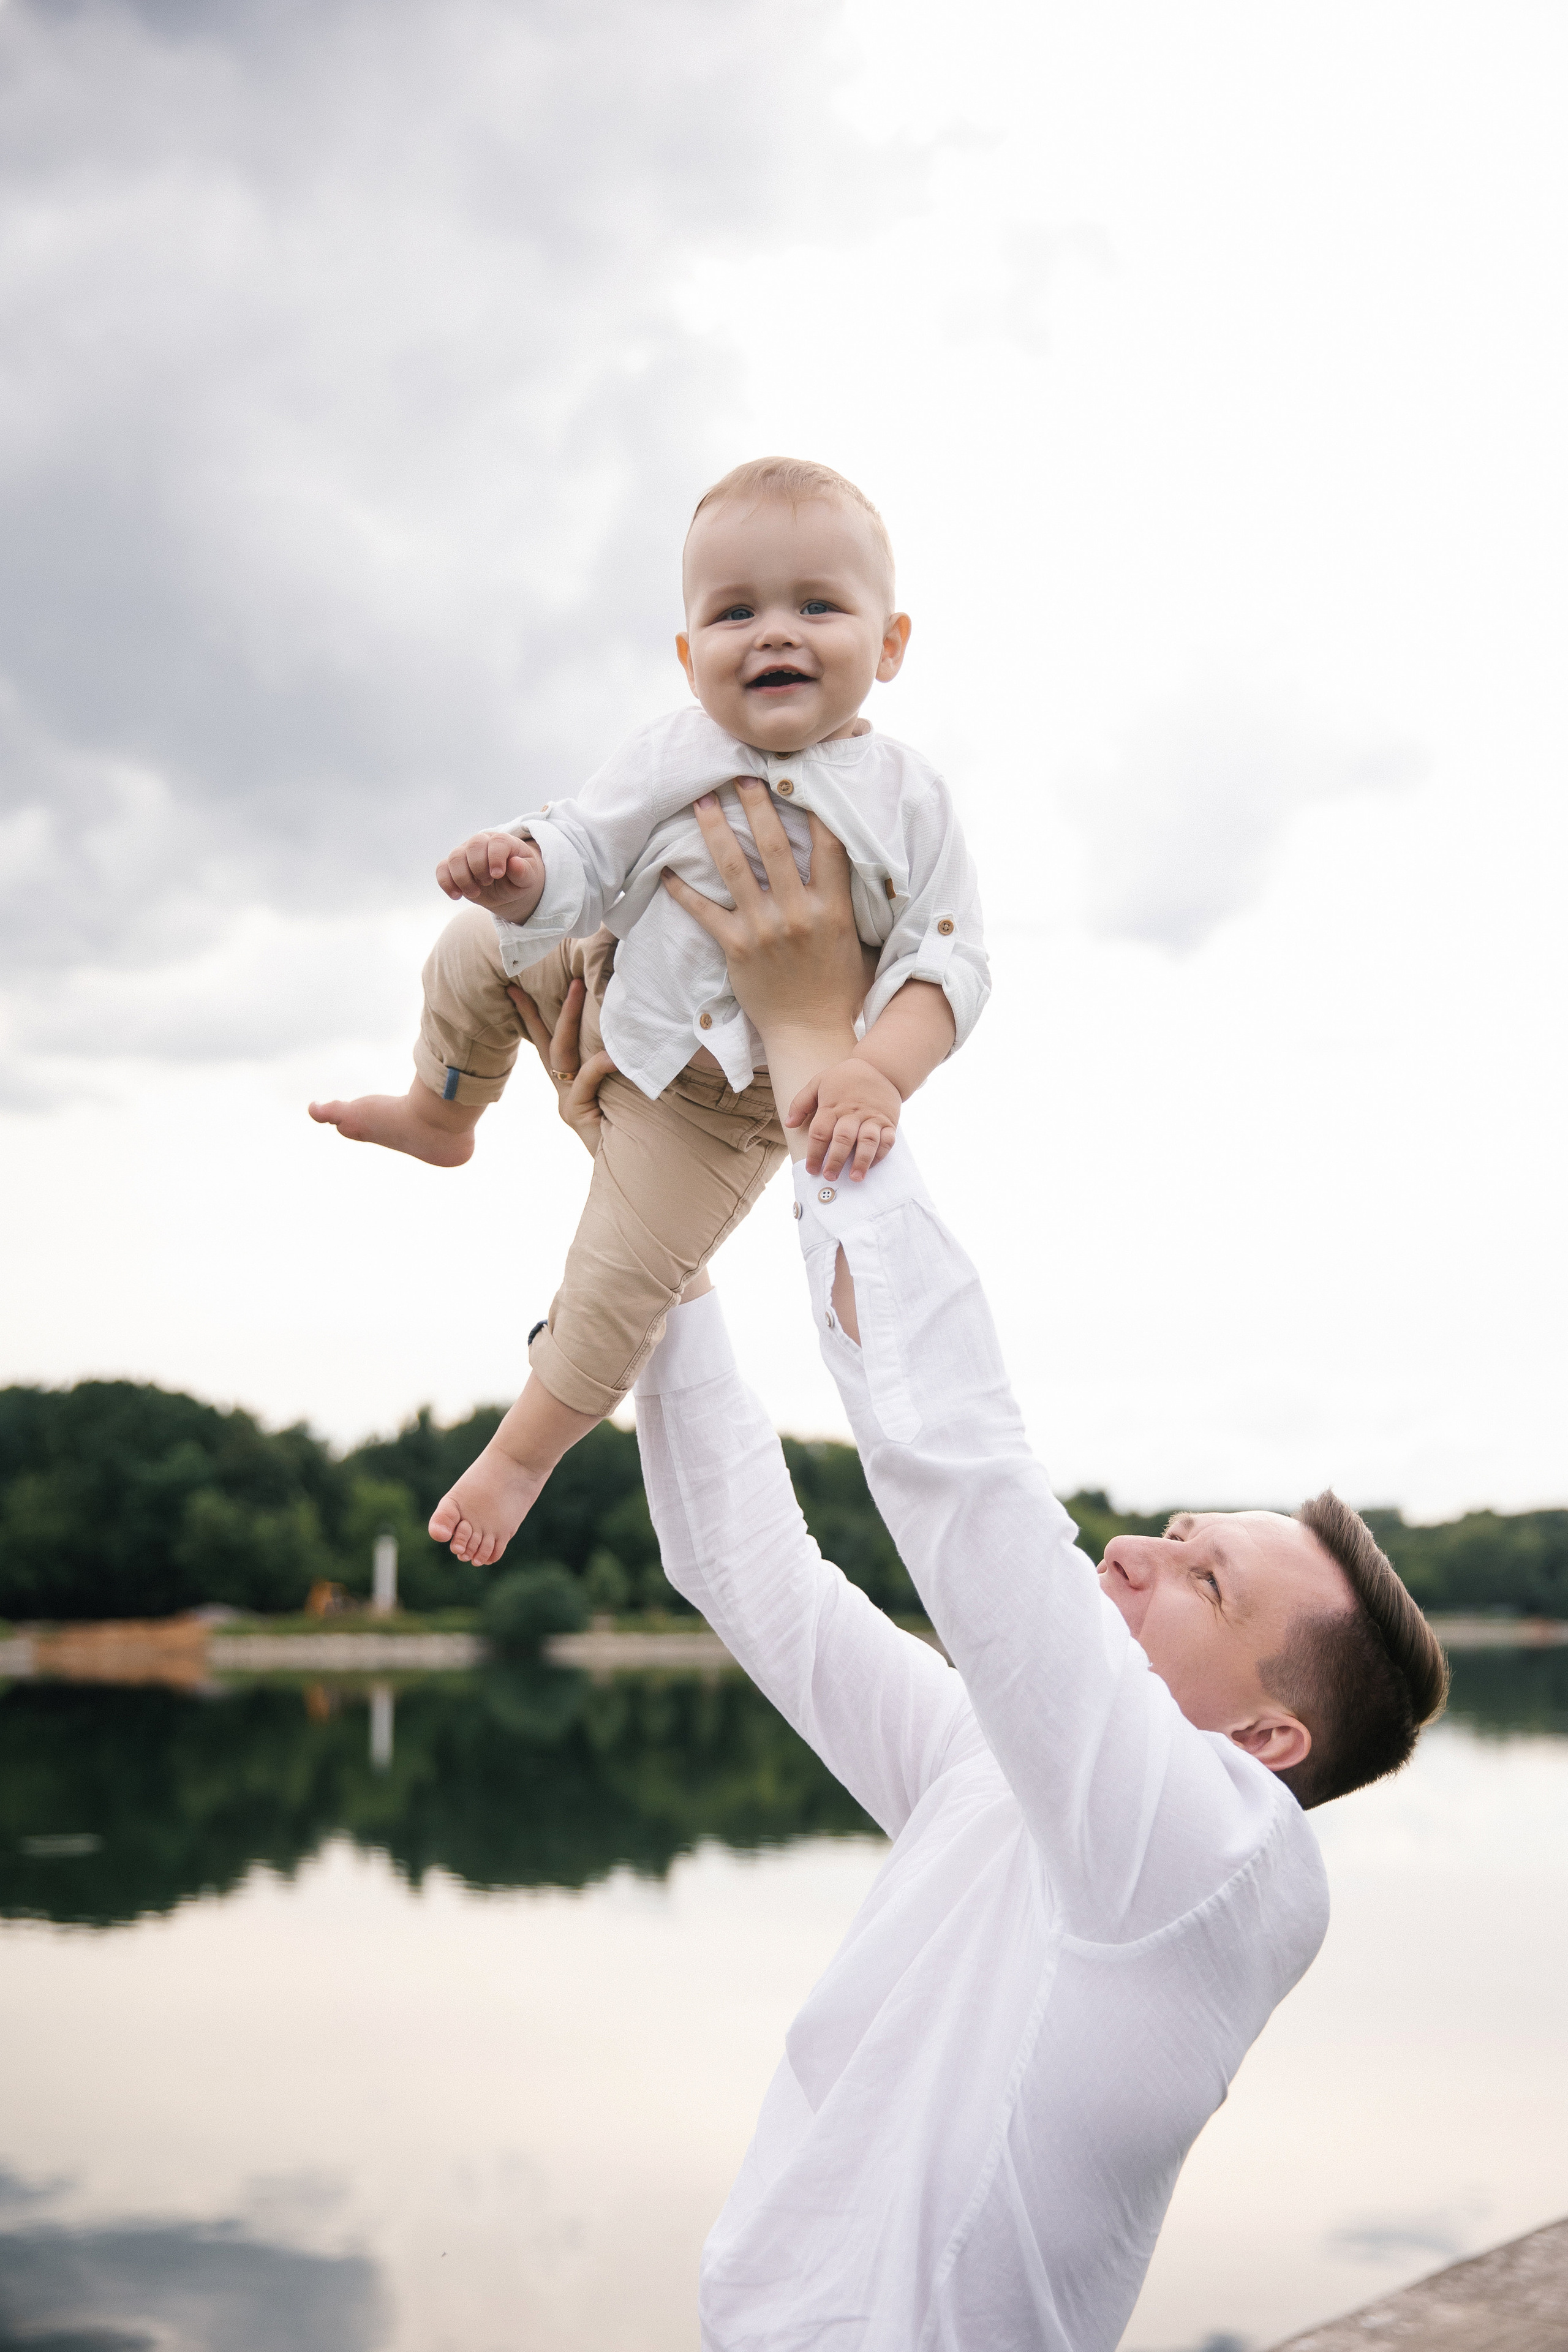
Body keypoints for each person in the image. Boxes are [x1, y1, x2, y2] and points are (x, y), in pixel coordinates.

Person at [515, 786, 1450, 2351]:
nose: (1140, 1551)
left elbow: (970, 1491)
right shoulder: (1005, 1784)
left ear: (1266, 1742)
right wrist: (645, 1203)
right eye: (1178, 1529)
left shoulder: (1218, 1868)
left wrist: (822, 1054)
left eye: (1205, 1582)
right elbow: (752, 1571)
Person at [307, 456, 988, 1562]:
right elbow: (585, 846)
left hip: (724, 1106)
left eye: (818, 605)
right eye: (736, 612)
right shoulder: (673, 752)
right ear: (688, 655)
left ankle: (523, 1454)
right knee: (471, 947)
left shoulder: (910, 801)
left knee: (619, 1281)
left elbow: (946, 967)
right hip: (605, 983)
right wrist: (522, 872)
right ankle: (443, 1113)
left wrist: (877, 1073)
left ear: (892, 643)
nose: (775, 633)